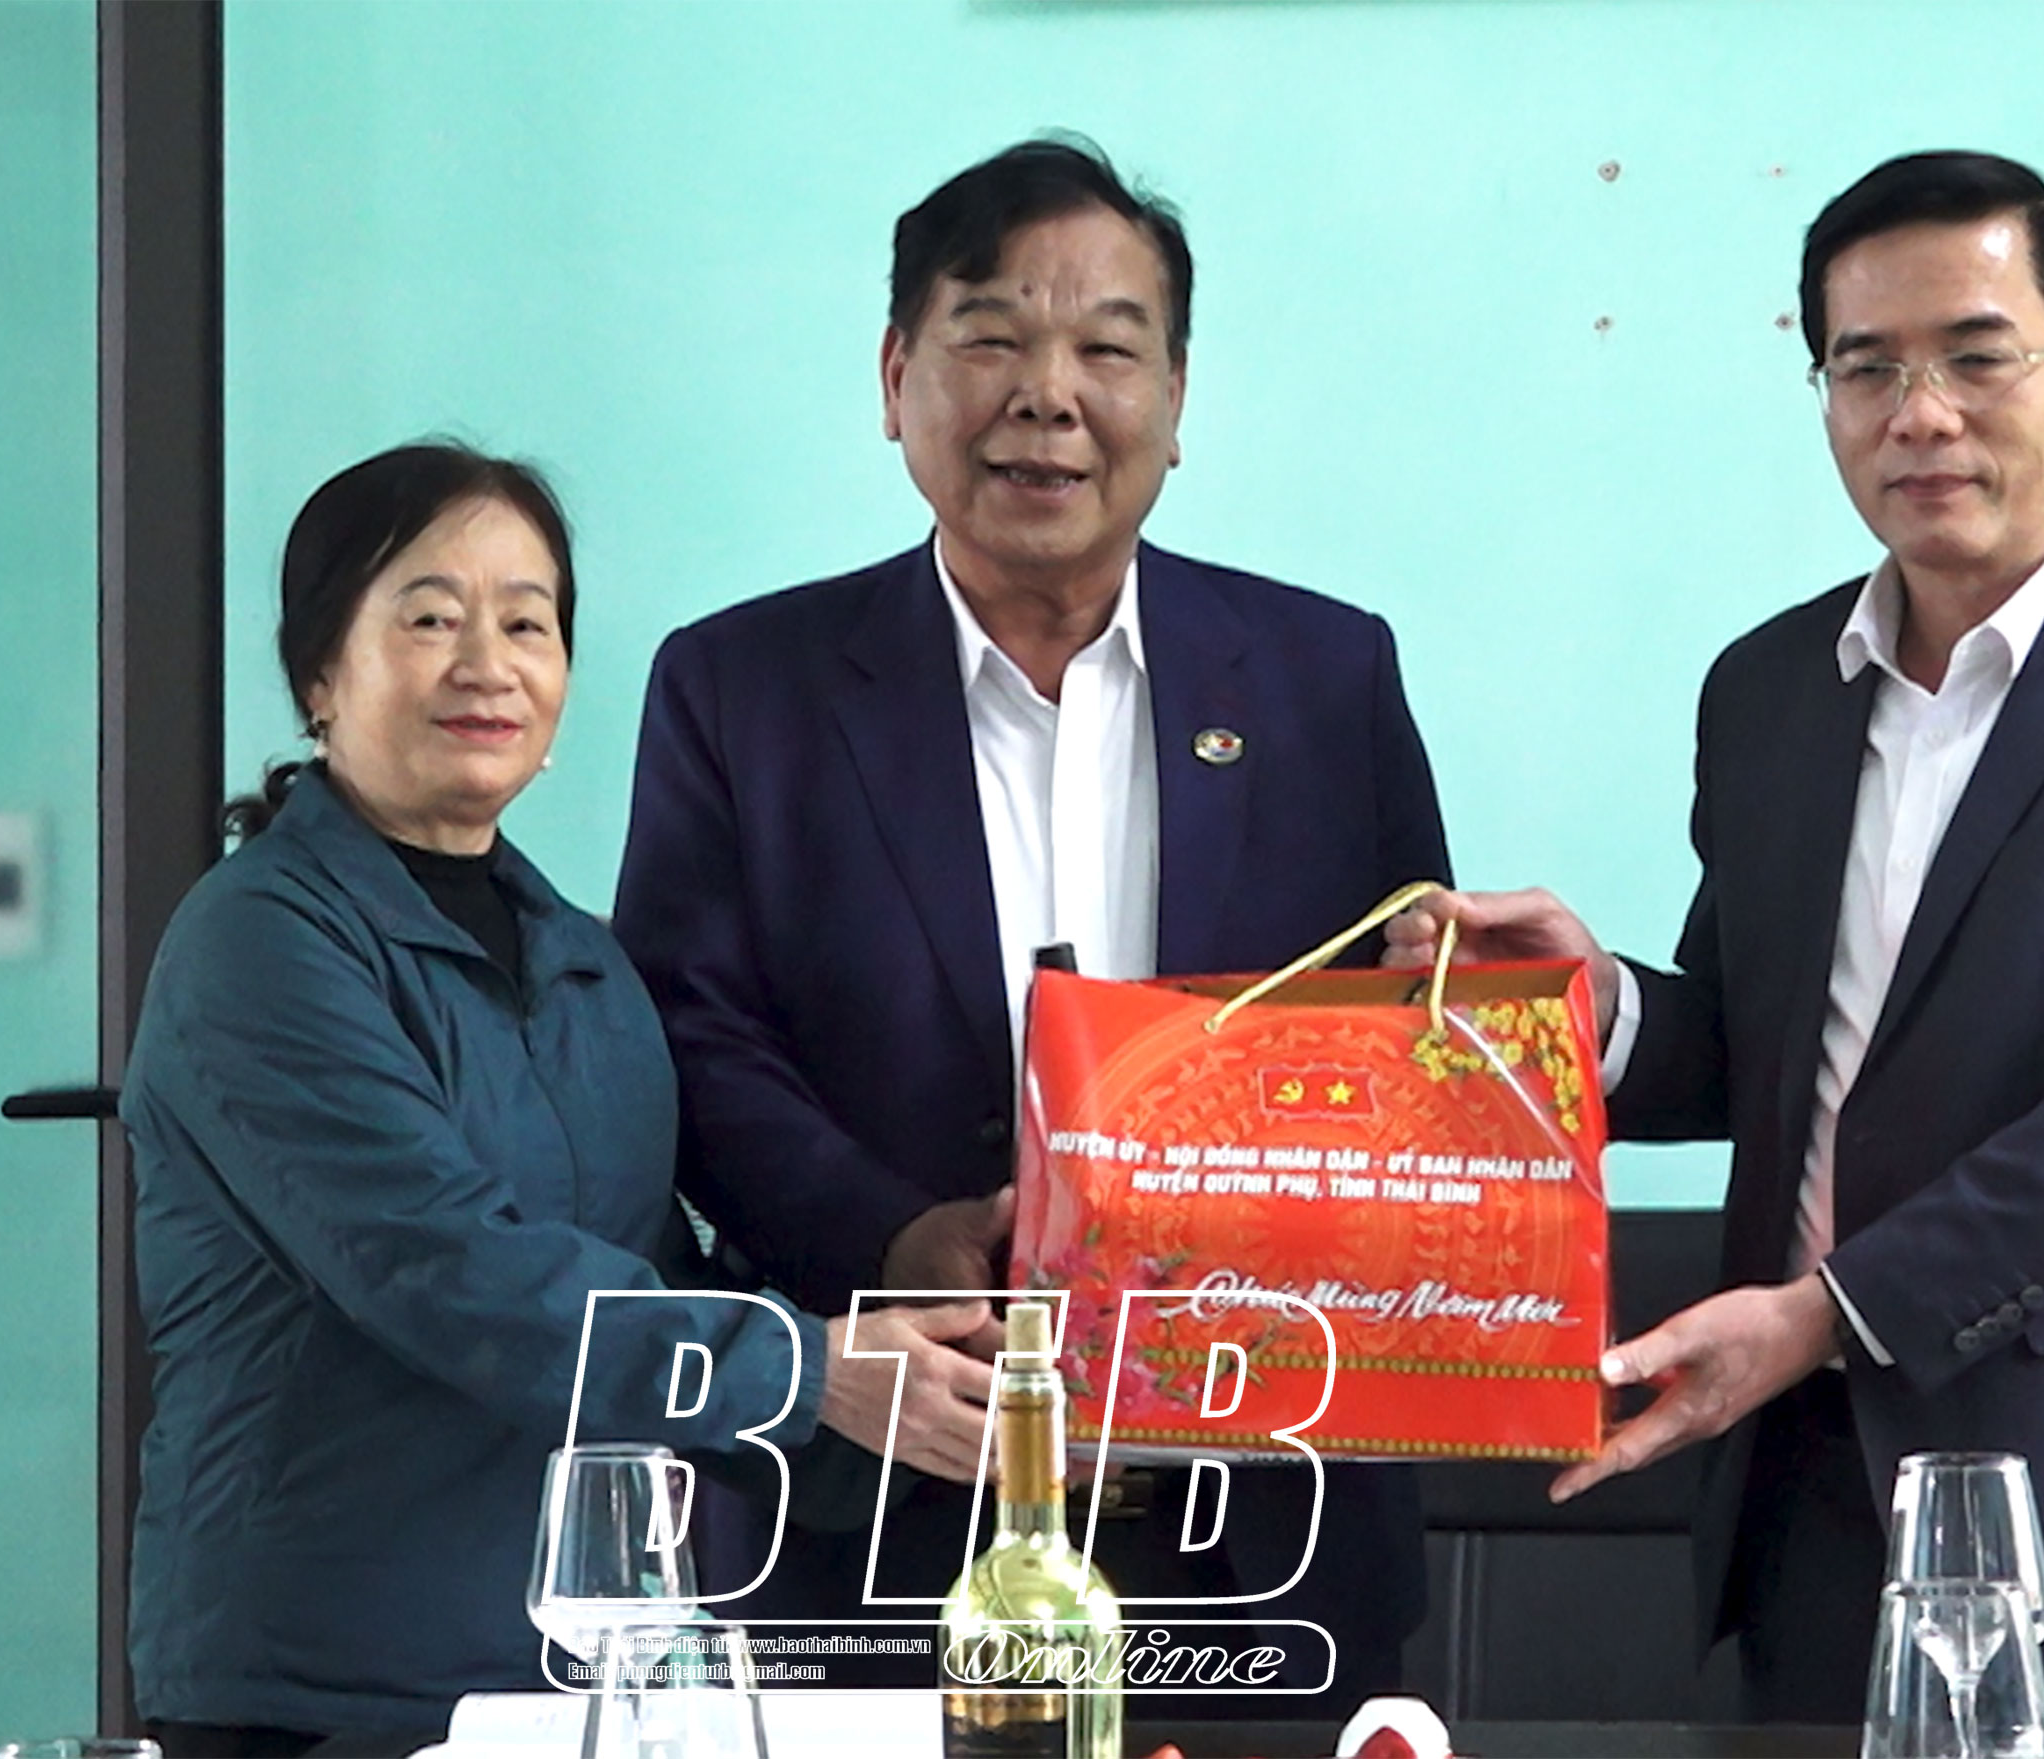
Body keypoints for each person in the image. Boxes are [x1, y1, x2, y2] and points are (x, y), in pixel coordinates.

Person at [1388, 151, 2044, 1730]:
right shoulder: (1769, 690)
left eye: (1978, 357)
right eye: (1867, 369)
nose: (1921, 416)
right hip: (1813, 1507)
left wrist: (1824, 1316)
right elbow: (1770, 1050)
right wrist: (1595, 1008)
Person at [613, 137, 1447, 1713]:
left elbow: (1400, 1050)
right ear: (897, 378)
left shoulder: (1326, 681)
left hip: (1266, 1526)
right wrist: (897, 1236)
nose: (1048, 397)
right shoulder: (742, 688)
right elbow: (689, 1037)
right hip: (879, 1504)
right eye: (991, 338)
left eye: (1108, 350)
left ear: (1176, 401)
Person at [122, 444, 996, 1757]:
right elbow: (451, 1270)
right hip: (322, 1687)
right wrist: (814, 1373)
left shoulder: (586, 960)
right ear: (318, 678)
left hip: (583, 1683)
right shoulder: (259, 944)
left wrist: (954, 1401)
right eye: (431, 619)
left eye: (527, 624)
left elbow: (651, 1278)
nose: (488, 665)